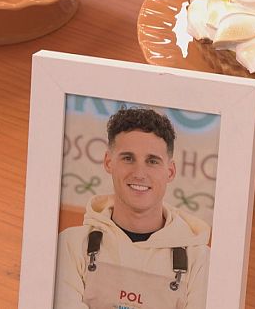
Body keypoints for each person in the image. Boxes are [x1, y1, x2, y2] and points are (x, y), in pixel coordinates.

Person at [54, 107, 210, 309]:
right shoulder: (71, 245)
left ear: (170, 172)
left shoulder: (201, 261)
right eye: (128, 158)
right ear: (109, 162)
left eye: (152, 161)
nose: (139, 173)